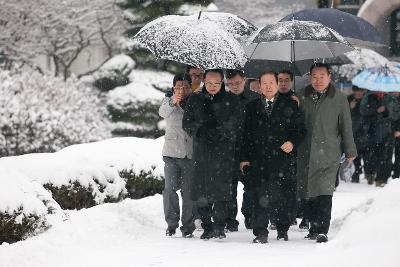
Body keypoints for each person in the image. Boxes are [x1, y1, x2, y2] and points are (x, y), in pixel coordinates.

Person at [240, 71, 306, 243]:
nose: (268, 86)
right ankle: (260, 232)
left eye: (271, 82)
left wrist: (292, 142)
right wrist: (244, 158)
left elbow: (300, 130)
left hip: (282, 159)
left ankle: (283, 228)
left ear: (278, 84)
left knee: (283, 195)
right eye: (265, 83)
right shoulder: (251, 107)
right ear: (259, 86)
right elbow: (244, 135)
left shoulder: (290, 105)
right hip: (258, 159)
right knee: (259, 195)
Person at [297, 63, 357, 243]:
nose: (318, 80)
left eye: (322, 76)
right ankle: (313, 227)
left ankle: (322, 229)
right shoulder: (301, 96)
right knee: (310, 191)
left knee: (324, 191)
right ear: (310, 77)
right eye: (314, 76)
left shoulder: (339, 98)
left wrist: (350, 150)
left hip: (329, 152)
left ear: (329, 76)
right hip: (306, 151)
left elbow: (346, 126)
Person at [183, 69, 241, 240]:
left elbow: (236, 122)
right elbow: (187, 122)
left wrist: (222, 132)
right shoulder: (195, 98)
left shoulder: (231, 100)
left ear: (222, 82)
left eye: (216, 83)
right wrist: (201, 130)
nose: (213, 86)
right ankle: (207, 226)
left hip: (224, 151)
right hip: (201, 150)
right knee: (201, 190)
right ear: (204, 82)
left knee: (222, 191)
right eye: (209, 83)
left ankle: (219, 226)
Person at [159, 74, 195, 238]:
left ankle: (188, 226)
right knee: (170, 190)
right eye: (179, 86)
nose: (182, 89)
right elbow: (162, 113)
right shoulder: (168, 100)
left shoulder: (196, 101)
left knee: (188, 193)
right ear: (174, 87)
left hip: (189, 153)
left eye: (186, 86)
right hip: (172, 153)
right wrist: (174, 100)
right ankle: (171, 224)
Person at [225, 69, 260, 231]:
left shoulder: (255, 98)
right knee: (229, 187)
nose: (234, 86)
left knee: (251, 185)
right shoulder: (223, 99)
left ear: (244, 80)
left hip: (250, 149)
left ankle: (249, 214)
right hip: (229, 150)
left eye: (237, 83)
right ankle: (230, 220)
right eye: (230, 84)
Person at [360, 90, 400, 186]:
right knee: (372, 155)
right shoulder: (368, 97)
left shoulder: (391, 99)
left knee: (387, 156)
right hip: (371, 132)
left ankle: (382, 179)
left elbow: (396, 115)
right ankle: (371, 173)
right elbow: (362, 111)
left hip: (388, 131)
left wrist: (386, 112)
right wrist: (376, 110)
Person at [347, 85, 367, 183]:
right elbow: (344, 115)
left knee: (367, 154)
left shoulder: (367, 99)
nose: (359, 93)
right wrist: (351, 108)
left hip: (366, 130)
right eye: (357, 91)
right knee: (355, 153)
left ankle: (369, 173)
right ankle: (356, 173)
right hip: (353, 130)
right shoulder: (349, 99)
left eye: (361, 90)